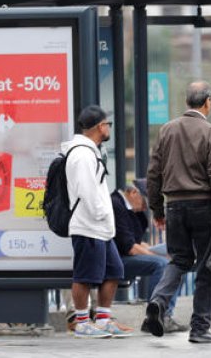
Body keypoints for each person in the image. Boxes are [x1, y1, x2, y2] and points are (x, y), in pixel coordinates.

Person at [143, 81, 211, 344]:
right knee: (206, 267)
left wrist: (157, 208)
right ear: (207, 102)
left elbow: (153, 173)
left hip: (174, 205)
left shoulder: (167, 130)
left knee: (179, 260)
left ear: (187, 102)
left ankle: (158, 301)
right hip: (203, 206)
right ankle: (200, 329)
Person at [64, 106, 132, 338]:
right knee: (85, 276)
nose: (108, 129)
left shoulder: (91, 151)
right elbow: (86, 190)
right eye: (107, 124)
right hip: (88, 225)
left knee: (114, 270)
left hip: (100, 228)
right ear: (100, 127)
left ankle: (103, 319)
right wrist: (101, 213)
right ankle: (82, 322)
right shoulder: (82, 154)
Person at [110, 182, 184, 332]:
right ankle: (156, 317)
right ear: (133, 193)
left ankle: (164, 316)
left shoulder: (129, 209)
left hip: (124, 256)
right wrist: (157, 256)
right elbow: (130, 248)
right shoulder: (116, 204)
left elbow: (136, 242)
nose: (145, 208)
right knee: (162, 265)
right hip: (116, 260)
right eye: (145, 203)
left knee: (176, 265)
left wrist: (159, 253)